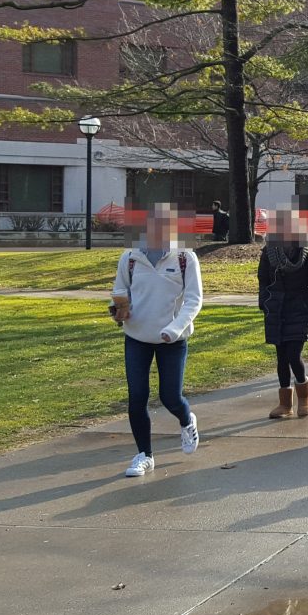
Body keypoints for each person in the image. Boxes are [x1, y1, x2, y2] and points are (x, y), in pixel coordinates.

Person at [110, 203, 204, 477]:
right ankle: (144, 455)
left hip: (172, 339)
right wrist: (118, 310)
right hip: (137, 336)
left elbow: (194, 300)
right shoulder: (129, 257)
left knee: (170, 396)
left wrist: (175, 328)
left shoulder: (185, 258)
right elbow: (120, 290)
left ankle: (187, 421)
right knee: (137, 397)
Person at [257, 205, 308, 419]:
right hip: (277, 308)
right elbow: (263, 280)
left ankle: (304, 394)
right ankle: (285, 404)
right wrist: (263, 301)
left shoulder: (307, 250)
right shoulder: (269, 250)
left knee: (293, 354)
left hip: (300, 306)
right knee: (281, 357)